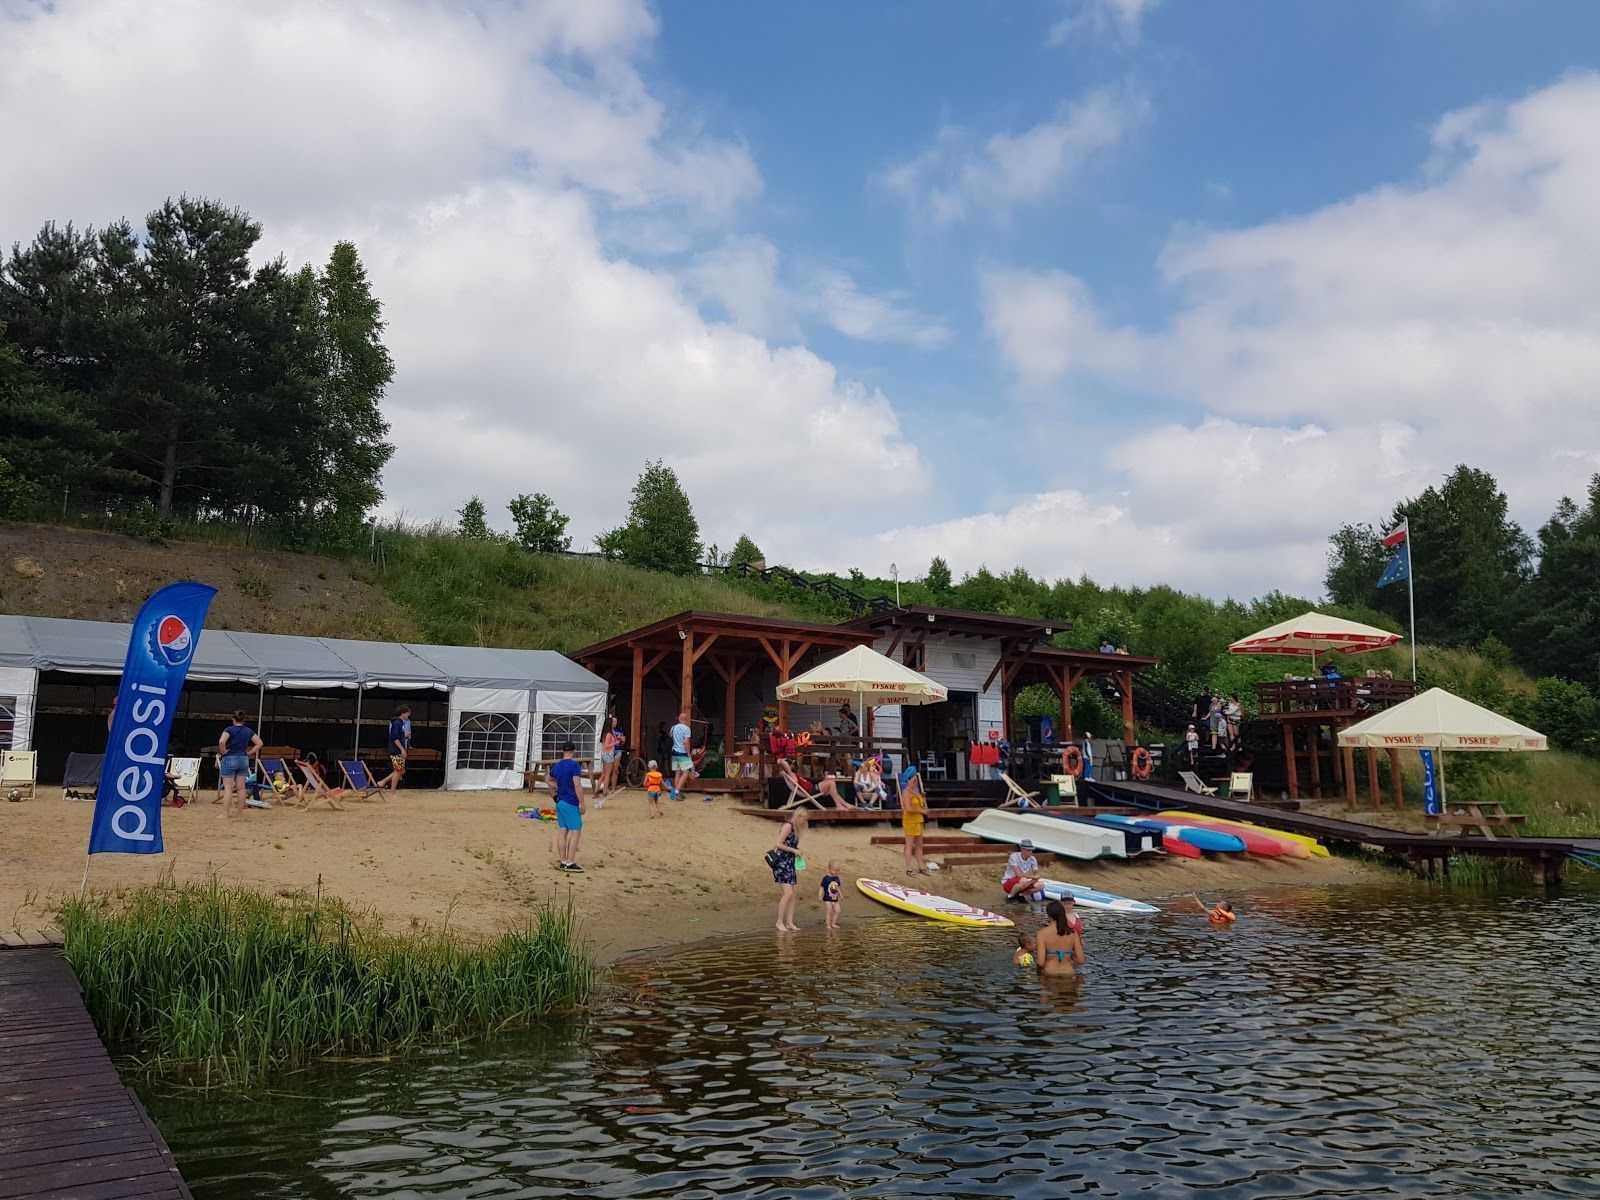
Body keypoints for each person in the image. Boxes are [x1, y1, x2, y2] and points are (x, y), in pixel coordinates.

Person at [548, 741, 586, 872]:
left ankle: (563, 861)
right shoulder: (574, 766)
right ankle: (569, 863)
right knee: (576, 831)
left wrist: (557, 790)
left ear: (563, 751)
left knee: (563, 831)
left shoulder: (557, 765)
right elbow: (577, 785)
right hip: (570, 802)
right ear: (573, 752)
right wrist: (582, 803)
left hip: (560, 802)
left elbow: (547, 779)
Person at [216, 710, 261, 820]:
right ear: (244, 720)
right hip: (243, 759)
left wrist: (223, 752)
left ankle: (225, 813)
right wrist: (250, 752)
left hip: (230, 758)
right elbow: (259, 743)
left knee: (228, 788)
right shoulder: (248, 731)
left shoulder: (229, 729)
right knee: (241, 788)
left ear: (233, 719)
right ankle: (239, 814)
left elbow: (221, 742)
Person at [768, 810, 807, 932]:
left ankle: (789, 922)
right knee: (788, 893)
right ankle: (779, 922)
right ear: (798, 817)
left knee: (793, 893)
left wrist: (797, 851)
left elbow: (790, 845)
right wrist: (794, 850)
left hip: (789, 862)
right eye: (804, 819)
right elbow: (778, 843)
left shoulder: (795, 829)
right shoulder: (788, 826)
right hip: (781, 862)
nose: (804, 822)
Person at [1036, 899, 1084, 976]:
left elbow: (1040, 962)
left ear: (1048, 915)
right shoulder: (1073, 934)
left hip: (1049, 972)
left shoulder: (1042, 934)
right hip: (1068, 973)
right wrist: (1069, 956)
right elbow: (1081, 960)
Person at [375, 704, 411, 796]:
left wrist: (405, 735)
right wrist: (402, 749)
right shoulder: (397, 723)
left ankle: (382, 782)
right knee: (398, 771)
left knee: (401, 770)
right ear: (403, 713)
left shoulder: (399, 723)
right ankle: (392, 792)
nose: (408, 715)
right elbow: (395, 738)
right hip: (396, 750)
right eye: (407, 713)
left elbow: (397, 735)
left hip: (397, 750)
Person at [899, 764, 927, 875]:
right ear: (908, 781)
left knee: (919, 844)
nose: (915, 783)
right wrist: (921, 810)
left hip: (919, 820)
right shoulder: (906, 792)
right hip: (910, 820)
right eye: (914, 781)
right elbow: (908, 808)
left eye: (916, 781)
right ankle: (909, 868)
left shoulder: (916, 791)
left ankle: (921, 866)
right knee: (909, 844)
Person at [669, 710, 694, 801]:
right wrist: (688, 753)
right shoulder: (687, 729)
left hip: (674, 752)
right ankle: (676, 792)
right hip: (682, 752)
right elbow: (686, 742)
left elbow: (671, 736)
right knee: (686, 773)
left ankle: (677, 792)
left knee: (677, 772)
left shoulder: (673, 727)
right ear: (686, 719)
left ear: (679, 719)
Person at [820, 860, 842, 929]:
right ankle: (828, 925)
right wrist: (820, 895)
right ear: (829, 869)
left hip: (835, 898)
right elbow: (821, 887)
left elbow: (837, 887)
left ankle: (833, 923)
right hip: (828, 898)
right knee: (829, 911)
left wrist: (841, 895)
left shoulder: (836, 878)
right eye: (835, 870)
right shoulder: (826, 878)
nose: (837, 872)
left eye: (838, 870)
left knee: (838, 911)